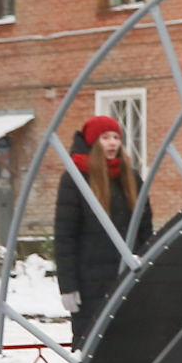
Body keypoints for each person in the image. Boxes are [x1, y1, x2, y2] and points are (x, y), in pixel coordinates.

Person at [53, 114, 153, 349]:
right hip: (90, 284)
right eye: (105, 137)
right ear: (93, 142)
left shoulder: (130, 177)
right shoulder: (75, 178)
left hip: (127, 276)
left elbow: (145, 229)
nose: (112, 143)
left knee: (129, 344)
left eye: (116, 137)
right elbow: (65, 237)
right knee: (92, 346)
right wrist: (68, 286)